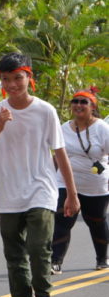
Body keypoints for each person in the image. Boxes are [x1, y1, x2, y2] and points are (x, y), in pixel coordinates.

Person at [0, 52, 79, 297]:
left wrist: (71, 193)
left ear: (29, 78)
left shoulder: (45, 110)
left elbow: (60, 153)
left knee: (38, 250)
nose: (12, 85)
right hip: (9, 195)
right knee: (14, 255)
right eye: (6, 79)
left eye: (18, 78)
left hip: (41, 191)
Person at [50, 88, 109, 273]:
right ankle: (55, 261)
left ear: (93, 107)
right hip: (66, 183)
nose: (78, 105)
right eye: (75, 101)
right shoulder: (63, 128)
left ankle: (102, 258)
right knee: (62, 220)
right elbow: (58, 155)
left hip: (95, 185)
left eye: (84, 102)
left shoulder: (102, 128)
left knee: (96, 221)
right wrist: (49, 176)